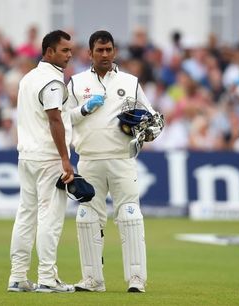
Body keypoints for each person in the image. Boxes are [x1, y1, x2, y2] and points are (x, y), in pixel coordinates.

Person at [67, 30, 162, 293]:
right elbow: (63, 119)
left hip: (121, 159)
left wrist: (143, 129)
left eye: (109, 49)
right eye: (100, 50)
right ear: (90, 53)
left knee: (130, 216)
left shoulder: (130, 82)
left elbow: (154, 120)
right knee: (87, 218)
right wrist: (84, 109)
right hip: (88, 159)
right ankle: (92, 280)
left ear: (115, 51)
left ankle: (136, 279)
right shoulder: (76, 83)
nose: (105, 54)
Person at [7, 30, 75, 293]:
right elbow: (54, 119)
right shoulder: (53, 82)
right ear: (49, 52)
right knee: (50, 217)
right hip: (48, 157)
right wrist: (65, 159)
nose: (69, 54)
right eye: (64, 50)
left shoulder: (28, 78)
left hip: (26, 155)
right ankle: (47, 277)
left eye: (70, 50)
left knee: (25, 216)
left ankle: (17, 277)